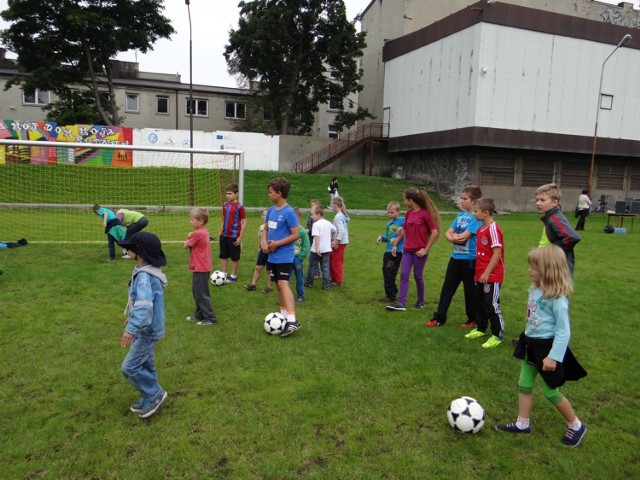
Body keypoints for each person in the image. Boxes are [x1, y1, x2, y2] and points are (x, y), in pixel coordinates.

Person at [495, 245, 587, 447]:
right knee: (524, 384)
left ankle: (576, 425)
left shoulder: (558, 300)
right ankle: (522, 423)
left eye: (534, 267)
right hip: (531, 345)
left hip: (547, 350)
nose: (530, 270)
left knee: (550, 391)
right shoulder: (536, 290)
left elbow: (564, 332)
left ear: (548, 270)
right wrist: (526, 336)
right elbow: (534, 318)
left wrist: (554, 357)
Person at [117, 231, 169, 419]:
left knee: (129, 367)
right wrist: (131, 317)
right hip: (145, 327)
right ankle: (150, 395)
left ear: (140, 252)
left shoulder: (145, 277)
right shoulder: (144, 272)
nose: (127, 249)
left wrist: (130, 329)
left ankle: (154, 395)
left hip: (146, 331)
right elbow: (140, 304)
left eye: (131, 247)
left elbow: (145, 307)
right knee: (145, 364)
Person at [427, 185, 483, 328]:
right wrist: (452, 237)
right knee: (447, 288)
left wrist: (453, 237)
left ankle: (472, 319)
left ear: (474, 201)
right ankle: (439, 317)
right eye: (461, 198)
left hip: (470, 260)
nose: (461, 201)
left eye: (465, 198)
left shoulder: (476, 218)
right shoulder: (459, 216)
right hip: (455, 258)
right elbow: (448, 233)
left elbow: (464, 237)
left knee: (470, 291)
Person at [386, 188, 441, 312]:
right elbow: (404, 230)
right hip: (407, 250)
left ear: (411, 200)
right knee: (404, 275)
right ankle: (401, 303)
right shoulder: (409, 213)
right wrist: (395, 244)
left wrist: (425, 249)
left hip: (419, 252)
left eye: (405, 199)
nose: (404, 201)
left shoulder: (425, 214)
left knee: (417, 276)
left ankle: (420, 301)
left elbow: (435, 232)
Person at [262, 177, 301, 337]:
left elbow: (295, 235)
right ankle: (283, 316)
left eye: (271, 192)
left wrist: (277, 244)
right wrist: (264, 243)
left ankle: (292, 320)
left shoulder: (289, 212)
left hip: (284, 256)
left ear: (279, 193)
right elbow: (265, 230)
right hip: (272, 256)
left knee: (284, 284)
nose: (269, 195)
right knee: (278, 285)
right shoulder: (271, 210)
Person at [464, 198, 506, 348]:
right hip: (480, 273)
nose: (473, 214)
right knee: (479, 302)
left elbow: (497, 253)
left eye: (476, 211)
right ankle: (481, 328)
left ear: (486, 213)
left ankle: (497, 334)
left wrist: (487, 273)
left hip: (492, 275)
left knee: (491, 304)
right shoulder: (480, 229)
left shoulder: (493, 228)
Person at [535, 183, 581, 276]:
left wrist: (551, 250)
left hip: (555, 268)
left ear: (555, 202)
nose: (538, 203)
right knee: (538, 289)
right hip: (546, 264)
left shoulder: (555, 218)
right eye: (537, 200)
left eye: (542, 200)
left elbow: (572, 237)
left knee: (548, 290)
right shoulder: (550, 217)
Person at [184, 207, 218, 326]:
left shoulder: (197, 234)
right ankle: (199, 314)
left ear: (201, 221)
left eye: (192, 220)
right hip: (203, 266)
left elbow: (185, 245)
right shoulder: (204, 231)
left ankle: (210, 318)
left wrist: (189, 236)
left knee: (201, 293)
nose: (190, 222)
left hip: (200, 267)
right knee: (197, 291)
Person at [376, 200, 405, 303]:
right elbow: (389, 238)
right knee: (385, 270)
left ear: (399, 211)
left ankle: (390, 296)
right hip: (388, 251)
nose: (389, 214)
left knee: (389, 272)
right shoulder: (389, 224)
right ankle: (393, 290)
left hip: (396, 252)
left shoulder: (403, 220)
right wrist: (381, 238)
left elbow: (404, 233)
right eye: (388, 212)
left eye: (392, 212)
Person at [219, 183, 247, 283]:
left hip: (234, 236)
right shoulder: (225, 204)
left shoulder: (239, 207)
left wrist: (240, 238)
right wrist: (220, 231)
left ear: (236, 194)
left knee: (234, 257)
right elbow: (223, 218)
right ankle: (223, 275)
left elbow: (244, 221)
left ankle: (233, 276)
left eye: (230, 194)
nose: (227, 195)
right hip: (224, 235)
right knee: (223, 256)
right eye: (226, 193)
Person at [304, 205, 336, 290]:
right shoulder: (328, 223)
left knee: (312, 266)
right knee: (325, 267)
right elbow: (335, 230)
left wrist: (317, 248)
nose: (311, 216)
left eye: (313, 214)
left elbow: (317, 236)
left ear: (318, 214)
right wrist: (334, 240)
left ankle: (308, 282)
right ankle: (326, 285)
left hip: (316, 250)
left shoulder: (316, 224)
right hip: (326, 249)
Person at [244, 209, 273, 294]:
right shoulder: (261, 227)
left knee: (269, 270)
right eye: (263, 215)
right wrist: (259, 247)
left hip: (270, 251)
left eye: (266, 215)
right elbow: (260, 238)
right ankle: (253, 284)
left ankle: (269, 286)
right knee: (258, 267)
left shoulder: (272, 227)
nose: (264, 217)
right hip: (262, 250)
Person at [291, 207, 310, 302]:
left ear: (299, 218)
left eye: (296, 217)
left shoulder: (302, 231)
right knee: (286, 278)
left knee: (299, 277)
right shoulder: (288, 230)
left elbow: (306, 246)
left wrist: (301, 256)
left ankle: (300, 294)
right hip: (288, 258)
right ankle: (285, 296)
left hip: (298, 258)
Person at [329, 196, 350, 286]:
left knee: (336, 262)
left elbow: (341, 231)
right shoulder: (342, 215)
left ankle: (338, 281)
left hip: (339, 243)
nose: (331, 207)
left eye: (331, 205)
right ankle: (333, 278)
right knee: (333, 260)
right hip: (342, 242)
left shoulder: (338, 217)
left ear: (335, 206)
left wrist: (336, 242)